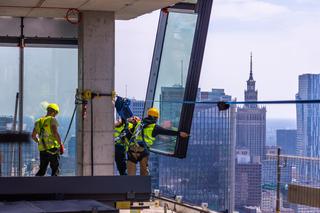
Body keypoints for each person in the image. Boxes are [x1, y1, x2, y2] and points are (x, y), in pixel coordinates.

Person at [127, 107, 188, 176]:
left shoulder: (139, 124)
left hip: (132, 149)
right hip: (143, 150)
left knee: (131, 173)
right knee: (144, 173)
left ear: (148, 116)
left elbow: (130, 129)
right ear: (156, 118)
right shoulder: (155, 127)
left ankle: (130, 185)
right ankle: (143, 185)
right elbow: (167, 132)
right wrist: (179, 133)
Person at [32, 103, 64, 176]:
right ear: (54, 112)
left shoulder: (38, 122)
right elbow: (55, 133)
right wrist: (60, 144)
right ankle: (54, 186)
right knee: (55, 170)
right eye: (56, 113)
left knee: (42, 170)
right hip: (53, 149)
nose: (56, 115)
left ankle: (35, 185)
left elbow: (33, 136)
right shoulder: (52, 119)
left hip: (42, 150)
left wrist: (39, 142)